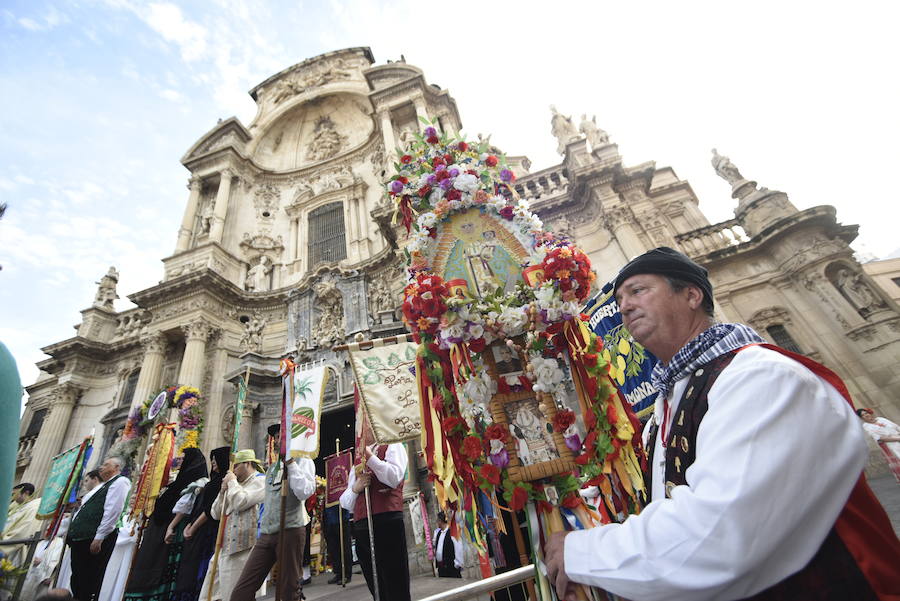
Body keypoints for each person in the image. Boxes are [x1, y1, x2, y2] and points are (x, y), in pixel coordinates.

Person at [544, 246, 900, 601]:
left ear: (692, 295)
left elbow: (722, 535)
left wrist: (583, 553)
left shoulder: (761, 376)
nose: (624, 306)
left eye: (638, 291)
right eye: (620, 298)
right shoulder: (666, 407)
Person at [229, 424, 316, 601]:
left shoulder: (303, 460)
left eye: (282, 435)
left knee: (287, 592)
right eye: (276, 436)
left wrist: (291, 464)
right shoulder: (271, 468)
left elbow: (305, 491)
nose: (278, 439)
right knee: (241, 592)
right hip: (267, 534)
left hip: (290, 529)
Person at [125, 447, 208, 601]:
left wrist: (171, 526)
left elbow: (184, 507)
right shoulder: (177, 482)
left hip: (171, 532)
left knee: (162, 567)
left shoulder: (196, 482)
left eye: (183, 459)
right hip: (158, 530)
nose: (179, 462)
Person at [339, 443, 411, 601]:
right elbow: (345, 503)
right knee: (377, 589)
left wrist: (371, 458)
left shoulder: (392, 445)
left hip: (387, 523)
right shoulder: (358, 456)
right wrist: (355, 488)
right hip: (362, 528)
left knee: (396, 587)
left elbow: (394, 477)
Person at [199, 450, 265, 601]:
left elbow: (241, 502)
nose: (232, 470)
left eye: (235, 466)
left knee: (235, 594)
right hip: (223, 547)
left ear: (247, 464)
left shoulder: (260, 481)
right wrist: (222, 492)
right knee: (209, 594)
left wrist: (232, 482)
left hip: (244, 548)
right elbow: (215, 513)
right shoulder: (234, 483)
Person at [66, 456, 130, 601]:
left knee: (88, 577)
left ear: (117, 468)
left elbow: (113, 510)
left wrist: (99, 537)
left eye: (106, 464)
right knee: (78, 575)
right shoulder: (103, 486)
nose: (101, 467)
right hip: (82, 537)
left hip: (94, 537)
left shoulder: (121, 481)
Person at [174, 446, 230, 601]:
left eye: (216, 459)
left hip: (208, 530)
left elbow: (209, 509)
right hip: (197, 527)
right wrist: (189, 524)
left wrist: (193, 526)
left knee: (201, 568)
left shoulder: (222, 483)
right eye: (211, 459)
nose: (213, 462)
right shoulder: (213, 481)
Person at [0, 482, 42, 565]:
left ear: (26, 493)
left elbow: (22, 531)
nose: (13, 497)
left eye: (15, 494)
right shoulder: (17, 505)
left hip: (13, 550)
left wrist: (2, 544)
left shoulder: (33, 508)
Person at [857, 408, 900, 483]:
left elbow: (896, 427)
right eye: (863, 415)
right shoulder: (867, 426)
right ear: (861, 418)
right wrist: (897, 439)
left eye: (866, 413)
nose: (866, 415)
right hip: (891, 444)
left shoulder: (880, 419)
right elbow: (879, 438)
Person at [322, 503, 352, 584]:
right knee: (333, 547)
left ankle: (346, 573)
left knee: (344, 546)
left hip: (341, 515)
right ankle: (338, 572)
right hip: (328, 516)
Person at [433, 511, 463, 578]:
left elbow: (458, 548)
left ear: (441, 521)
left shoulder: (452, 532)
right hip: (442, 569)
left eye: (437, 520)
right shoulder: (438, 533)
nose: (437, 522)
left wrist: (457, 564)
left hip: (451, 568)